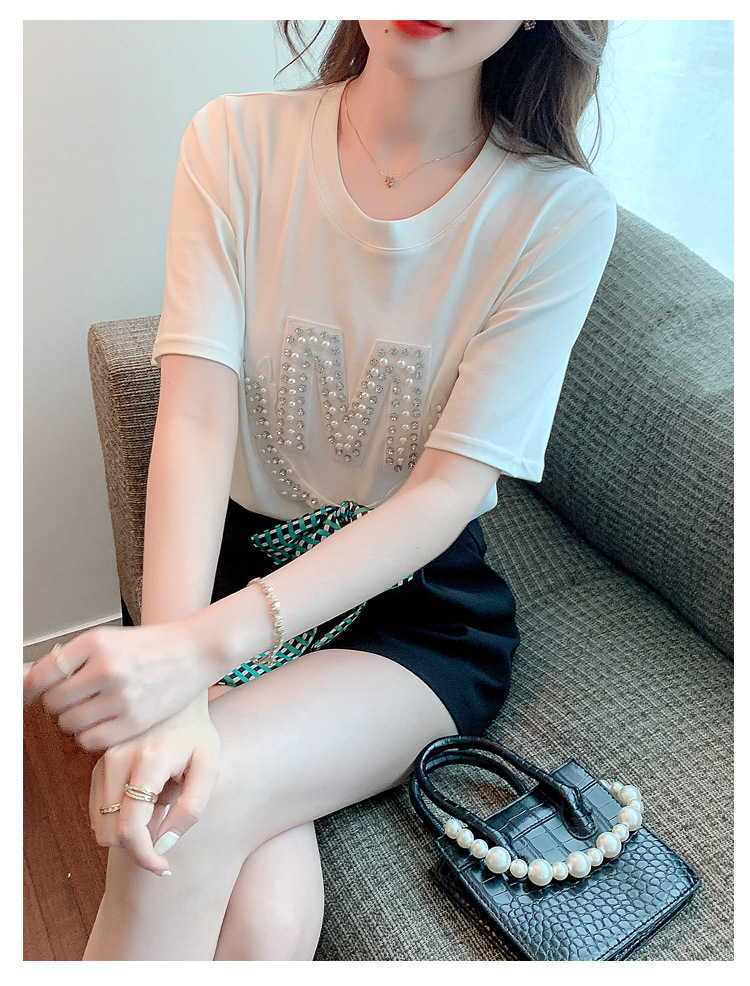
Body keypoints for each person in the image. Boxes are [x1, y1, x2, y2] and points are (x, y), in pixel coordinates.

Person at [24, 19, 617, 960]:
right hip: (227, 573)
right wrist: (175, 668)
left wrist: (199, 653)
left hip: (411, 615)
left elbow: (445, 494)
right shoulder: (236, 140)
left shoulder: (557, 213)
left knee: (178, 809)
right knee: (260, 923)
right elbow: (194, 420)